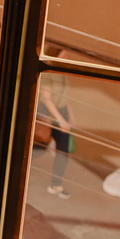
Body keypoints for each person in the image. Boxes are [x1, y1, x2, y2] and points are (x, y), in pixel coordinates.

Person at [38, 71, 74, 199]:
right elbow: (47, 100)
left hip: (62, 112)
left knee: (63, 150)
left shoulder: (62, 72)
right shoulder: (48, 73)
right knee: (37, 149)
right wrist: (60, 120)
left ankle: (56, 184)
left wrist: (70, 115)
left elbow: (65, 96)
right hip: (47, 113)